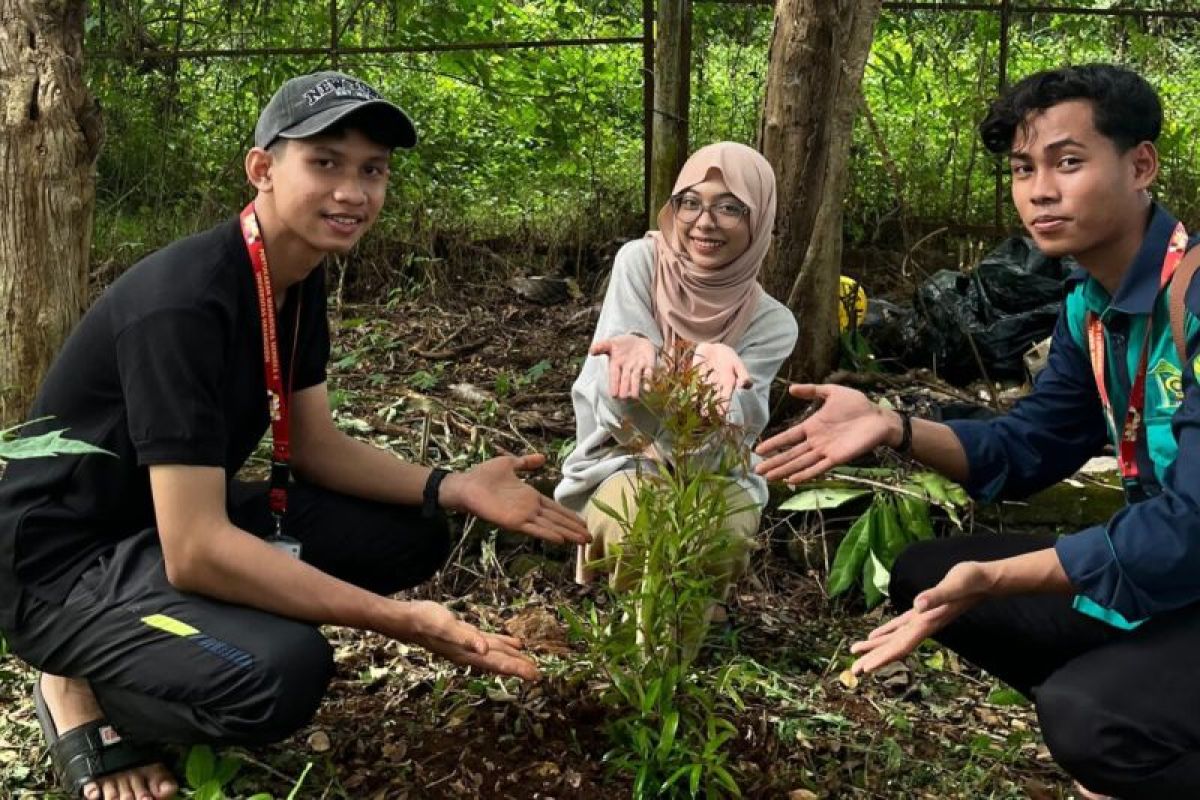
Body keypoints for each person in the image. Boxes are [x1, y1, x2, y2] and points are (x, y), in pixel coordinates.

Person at [0, 71, 589, 800]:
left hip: (160, 523)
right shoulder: (182, 305)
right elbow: (195, 551)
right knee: (281, 672)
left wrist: (455, 485)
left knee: (415, 531)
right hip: (63, 568)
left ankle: (156, 637)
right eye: (325, 162)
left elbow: (314, 447)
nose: (353, 192)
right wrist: (403, 621)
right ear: (262, 170)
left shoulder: (293, 277)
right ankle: (80, 687)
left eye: (372, 170)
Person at [755, 64, 1200, 800]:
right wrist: (892, 425)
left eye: (1068, 161)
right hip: (1171, 584)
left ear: (1141, 164)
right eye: (1025, 169)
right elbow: (1027, 449)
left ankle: (1127, 725)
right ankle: (1142, 726)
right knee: (927, 575)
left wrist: (1000, 575)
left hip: (1185, 563)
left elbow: (1189, 528)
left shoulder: (1193, 296)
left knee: (1085, 715)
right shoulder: (1089, 309)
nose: (1040, 192)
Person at [556, 142, 798, 623]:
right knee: (639, 525)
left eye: (730, 207)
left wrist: (710, 370)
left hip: (716, 474)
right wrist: (667, 360)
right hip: (619, 460)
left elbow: (728, 446)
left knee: (720, 534)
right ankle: (637, 630)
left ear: (760, 219)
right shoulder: (641, 263)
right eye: (690, 201)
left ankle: (688, 631)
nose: (704, 221)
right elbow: (619, 414)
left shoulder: (772, 324)